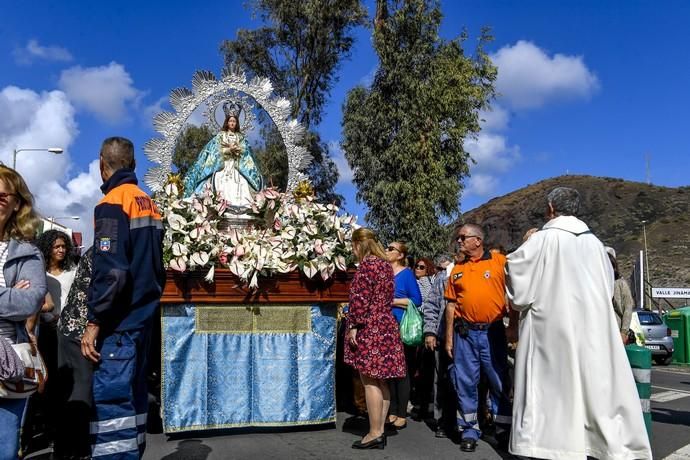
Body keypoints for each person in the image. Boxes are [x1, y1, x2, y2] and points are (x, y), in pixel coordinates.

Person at [506, 187, 652, 459]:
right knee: (593, 386)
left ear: (551, 208)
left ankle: (552, 446)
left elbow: (517, 284)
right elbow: (607, 288)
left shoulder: (541, 240)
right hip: (593, 327)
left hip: (550, 328)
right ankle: (592, 443)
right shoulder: (595, 244)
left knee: (553, 387)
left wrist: (525, 244)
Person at [81, 137, 165, 459]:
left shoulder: (112, 203)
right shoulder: (148, 202)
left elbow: (112, 272)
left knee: (114, 404)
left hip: (118, 327)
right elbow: (155, 268)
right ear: (133, 165)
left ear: (103, 164)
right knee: (134, 399)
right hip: (143, 322)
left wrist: (94, 321)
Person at [444, 224, 512, 453]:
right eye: (458, 238)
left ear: (478, 240)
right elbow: (451, 305)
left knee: (498, 380)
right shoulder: (456, 269)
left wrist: (514, 326)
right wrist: (449, 338)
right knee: (465, 382)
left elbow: (516, 293)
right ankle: (469, 430)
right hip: (465, 334)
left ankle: (503, 428)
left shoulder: (499, 262)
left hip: (493, 332)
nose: (459, 242)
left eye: (463, 238)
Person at [0, 165, 47, 460]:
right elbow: (17, 302)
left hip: (8, 358)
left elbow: (30, 302)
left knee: (4, 448)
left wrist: (21, 299)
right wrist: (10, 296)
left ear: (17, 203)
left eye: (3, 196)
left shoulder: (29, 252)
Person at [344, 228, 406, 450]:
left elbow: (360, 299)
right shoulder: (385, 266)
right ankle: (380, 427)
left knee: (369, 380)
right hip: (386, 324)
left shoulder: (367, 266)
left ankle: (374, 432)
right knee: (382, 380)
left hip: (370, 326)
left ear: (358, 245)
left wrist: (354, 326)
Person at [26, 230, 77, 448]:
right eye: (56, 246)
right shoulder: (39, 273)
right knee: (42, 379)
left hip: (65, 330)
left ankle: (57, 428)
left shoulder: (72, 272)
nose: (61, 250)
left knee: (60, 379)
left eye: (64, 246)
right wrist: (47, 316)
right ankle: (41, 424)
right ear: (47, 248)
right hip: (44, 330)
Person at [182, 104, 263, 209]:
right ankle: (221, 204)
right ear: (227, 122)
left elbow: (246, 153)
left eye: (234, 121)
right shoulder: (220, 136)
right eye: (230, 121)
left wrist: (239, 151)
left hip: (237, 166)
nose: (232, 123)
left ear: (237, 123)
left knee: (243, 182)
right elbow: (214, 151)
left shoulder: (241, 138)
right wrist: (228, 150)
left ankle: (243, 206)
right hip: (223, 165)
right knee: (220, 180)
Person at [55, 247, 94, 460]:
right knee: (79, 391)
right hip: (77, 330)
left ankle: (67, 448)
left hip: (73, 328)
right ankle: (75, 449)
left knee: (73, 390)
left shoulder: (97, 250)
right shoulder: (104, 250)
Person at [385, 241, 422, 430]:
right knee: (389, 370)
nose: (386, 250)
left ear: (400, 255)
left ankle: (401, 413)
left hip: (401, 326)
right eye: (387, 247)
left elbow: (417, 300)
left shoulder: (406, 274)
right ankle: (391, 410)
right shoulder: (383, 272)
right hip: (384, 327)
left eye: (391, 248)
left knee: (403, 371)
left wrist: (392, 301)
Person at [420, 253, 455, 438]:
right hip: (442, 335)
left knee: (465, 381)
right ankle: (442, 421)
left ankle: (468, 422)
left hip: (466, 337)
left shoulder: (473, 272)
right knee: (441, 379)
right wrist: (430, 332)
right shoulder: (444, 276)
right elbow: (432, 304)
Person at [606, 246, 634, 343]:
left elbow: (628, 308)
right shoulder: (598, 284)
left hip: (616, 331)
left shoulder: (620, 284)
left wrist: (624, 332)